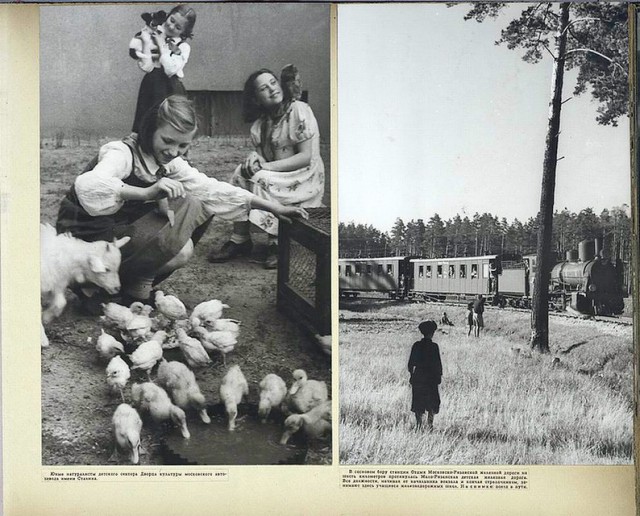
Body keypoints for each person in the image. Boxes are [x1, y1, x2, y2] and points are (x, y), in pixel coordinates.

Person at [56, 95, 307, 309]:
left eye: (183, 145)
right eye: (167, 141)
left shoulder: (167, 162)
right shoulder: (121, 153)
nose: (174, 151)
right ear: (150, 129)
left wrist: (274, 207)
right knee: (191, 205)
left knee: (192, 224)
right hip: (85, 241)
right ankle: (92, 286)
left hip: (115, 236)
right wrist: (146, 194)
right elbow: (87, 185)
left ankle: (129, 288)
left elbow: (211, 188)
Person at [208, 68, 325, 269]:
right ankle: (240, 239)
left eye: (273, 82)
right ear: (256, 98)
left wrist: (265, 166)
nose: (272, 89)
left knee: (261, 177)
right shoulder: (261, 124)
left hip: (304, 175)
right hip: (279, 173)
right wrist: (255, 158)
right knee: (241, 174)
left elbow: (306, 157)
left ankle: (276, 243)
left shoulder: (298, 110)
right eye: (264, 88)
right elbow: (265, 156)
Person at [129, 5, 196, 133]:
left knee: (169, 121)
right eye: (171, 20)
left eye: (178, 27)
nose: (171, 27)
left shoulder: (183, 47)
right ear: (167, 16)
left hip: (170, 87)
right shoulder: (154, 34)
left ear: (184, 32)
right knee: (147, 118)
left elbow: (170, 70)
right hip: (151, 84)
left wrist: (161, 45)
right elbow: (145, 63)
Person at [407, 320, 442, 431]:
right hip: (431, 379)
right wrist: (438, 377)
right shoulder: (434, 347)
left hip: (419, 378)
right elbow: (438, 364)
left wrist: (412, 376)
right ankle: (430, 425)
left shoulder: (416, 345)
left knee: (418, 403)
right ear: (432, 333)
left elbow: (410, 364)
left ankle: (419, 425)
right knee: (432, 402)